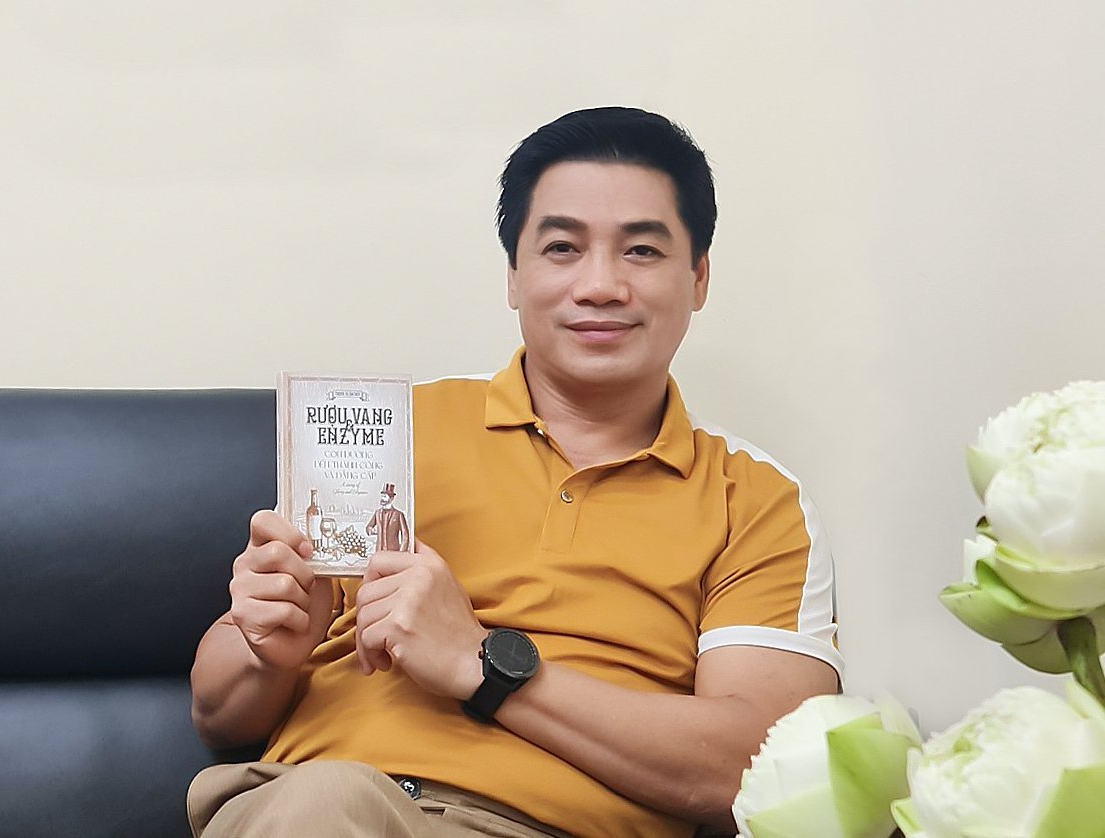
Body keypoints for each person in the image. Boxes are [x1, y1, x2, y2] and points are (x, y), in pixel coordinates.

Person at [188, 106, 841, 838]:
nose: (600, 285)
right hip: (315, 804)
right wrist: (268, 653)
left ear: (698, 277)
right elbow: (217, 715)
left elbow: (759, 772)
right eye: (563, 248)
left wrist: (483, 665)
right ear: (514, 276)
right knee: (320, 805)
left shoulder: (755, 501)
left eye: (641, 251)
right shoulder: (392, 427)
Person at [366, 482, 410, 552]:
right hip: (379, 551)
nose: (382, 499)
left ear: (391, 498)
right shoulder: (377, 513)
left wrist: (401, 552)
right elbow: (368, 527)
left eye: (384, 496)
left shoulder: (399, 515)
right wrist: (371, 530)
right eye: (382, 496)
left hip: (393, 552)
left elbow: (405, 536)